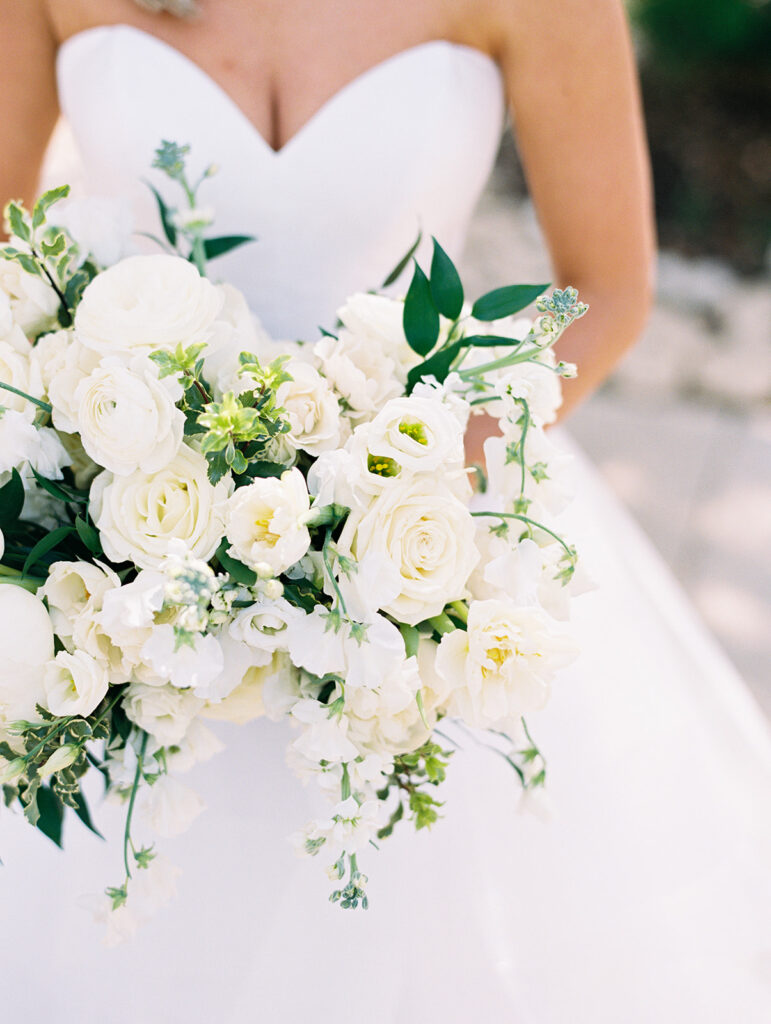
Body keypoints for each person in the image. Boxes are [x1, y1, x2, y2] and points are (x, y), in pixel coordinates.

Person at [1, 2, 769, 1021]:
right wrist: (74, 422)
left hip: (419, 551)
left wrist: (445, 446)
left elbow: (600, 289)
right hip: (120, 571)